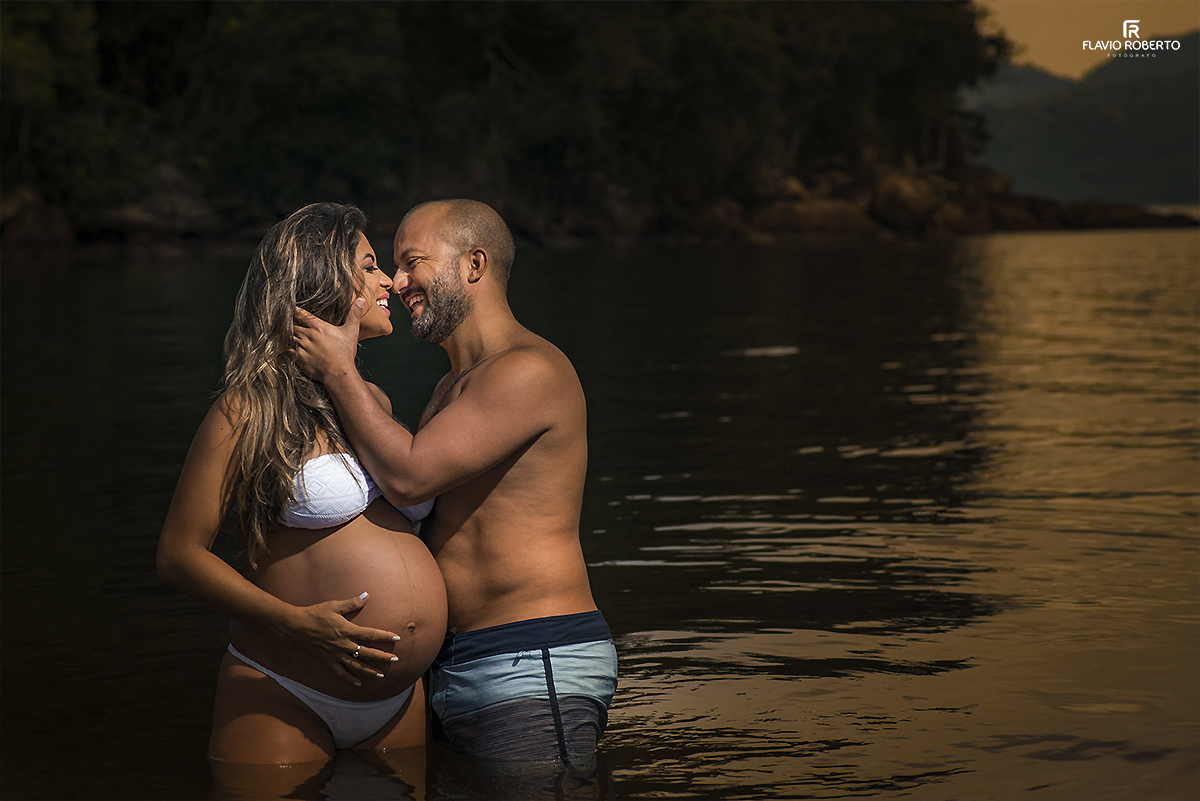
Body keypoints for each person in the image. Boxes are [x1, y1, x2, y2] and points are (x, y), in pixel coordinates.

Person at [292, 199, 617, 765]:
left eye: (412, 262)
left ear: (474, 265)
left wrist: (340, 370)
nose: (397, 281)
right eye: (392, 266)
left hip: (527, 657)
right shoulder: (451, 387)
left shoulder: (528, 370)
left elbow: (411, 477)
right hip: (459, 663)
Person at [156, 202, 448, 773]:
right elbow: (178, 556)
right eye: (369, 265)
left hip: (396, 701)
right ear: (323, 280)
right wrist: (295, 624)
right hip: (285, 688)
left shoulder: (371, 401)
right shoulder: (246, 411)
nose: (388, 279)